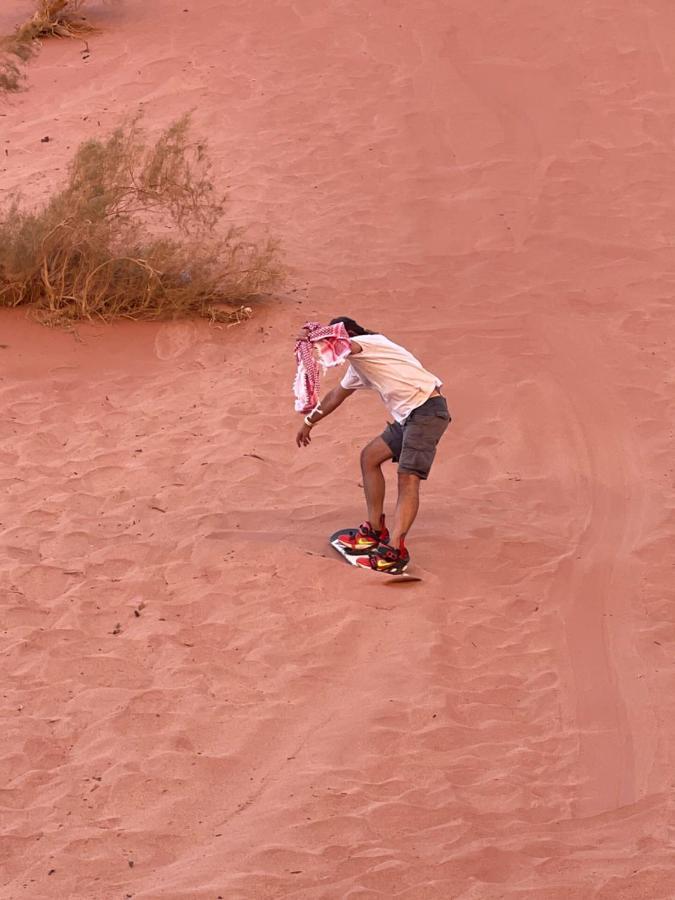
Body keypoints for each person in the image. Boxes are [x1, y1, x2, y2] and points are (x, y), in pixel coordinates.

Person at [295, 316, 450, 573]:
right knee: (370, 457)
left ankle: (395, 549)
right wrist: (309, 422)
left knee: (408, 478)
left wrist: (312, 336)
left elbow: (344, 343)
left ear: (351, 334)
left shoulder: (370, 343)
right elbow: (336, 395)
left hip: (426, 411)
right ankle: (375, 531)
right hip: (409, 417)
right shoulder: (358, 367)